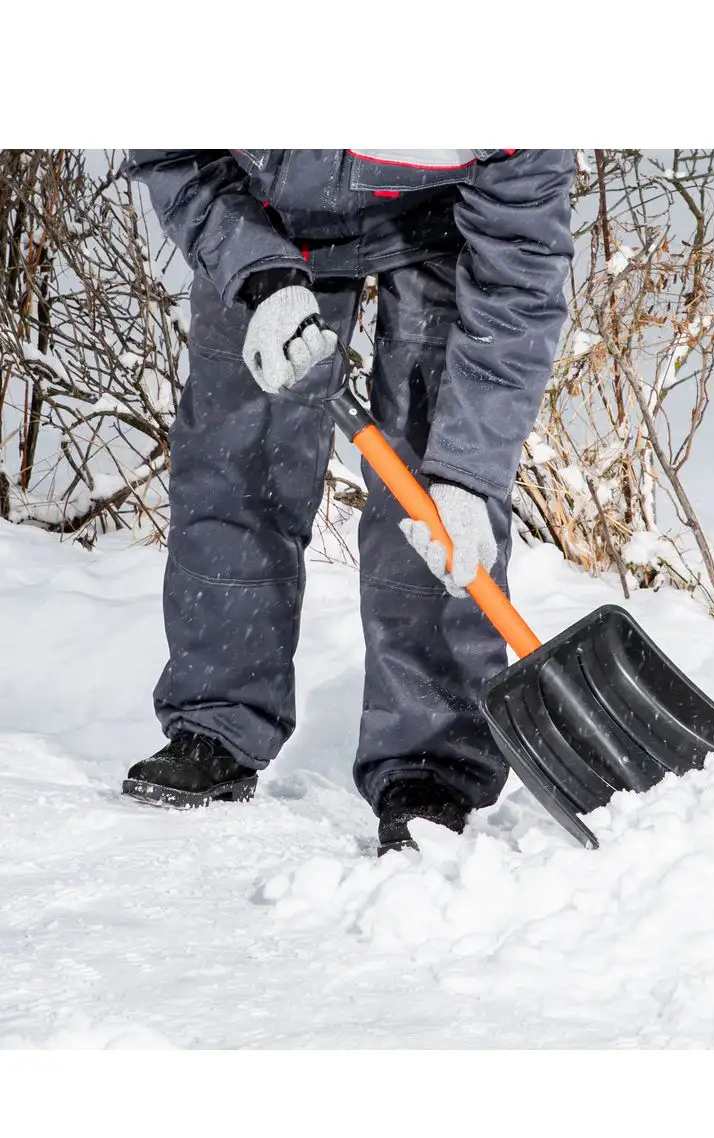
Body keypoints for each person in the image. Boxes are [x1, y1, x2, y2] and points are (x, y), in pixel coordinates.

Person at [122, 149, 574, 854]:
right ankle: (217, 721)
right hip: (262, 209)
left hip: (442, 222)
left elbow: (518, 279)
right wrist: (254, 268)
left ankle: (431, 766)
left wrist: (469, 476)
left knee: (430, 494)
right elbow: (169, 147)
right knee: (237, 458)